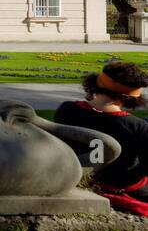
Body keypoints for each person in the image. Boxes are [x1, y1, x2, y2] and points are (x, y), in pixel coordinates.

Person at [54, 60, 148, 215]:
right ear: (131, 97)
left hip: (76, 177)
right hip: (122, 186)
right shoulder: (136, 126)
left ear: (95, 84)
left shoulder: (67, 110)